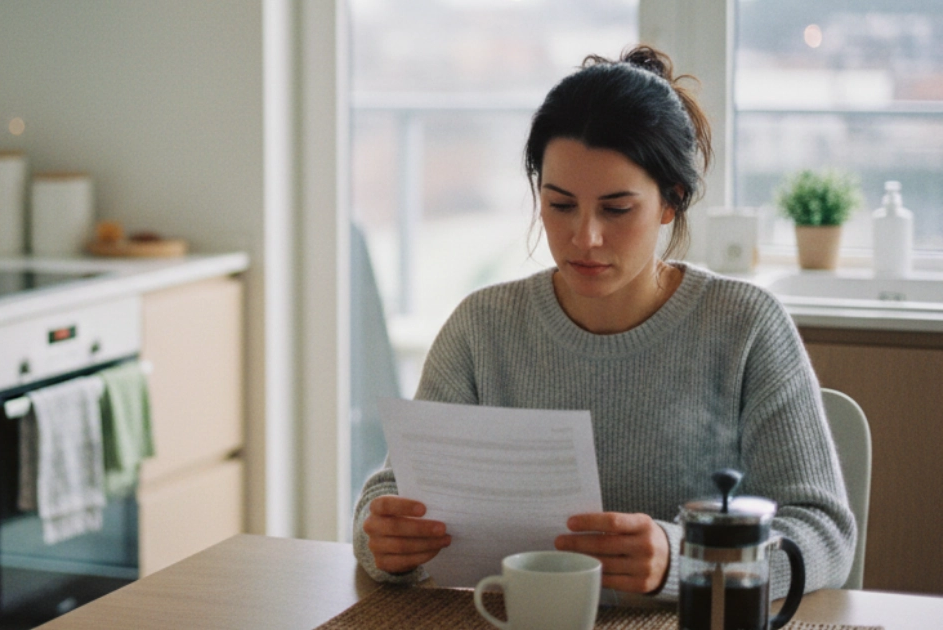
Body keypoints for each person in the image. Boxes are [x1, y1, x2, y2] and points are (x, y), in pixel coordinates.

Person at [352, 45, 855, 600]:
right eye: (560, 205)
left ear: (671, 202)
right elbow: (393, 490)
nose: (584, 237)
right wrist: (382, 539)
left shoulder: (745, 327)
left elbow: (824, 532)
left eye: (617, 209)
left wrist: (685, 560)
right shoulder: (481, 329)